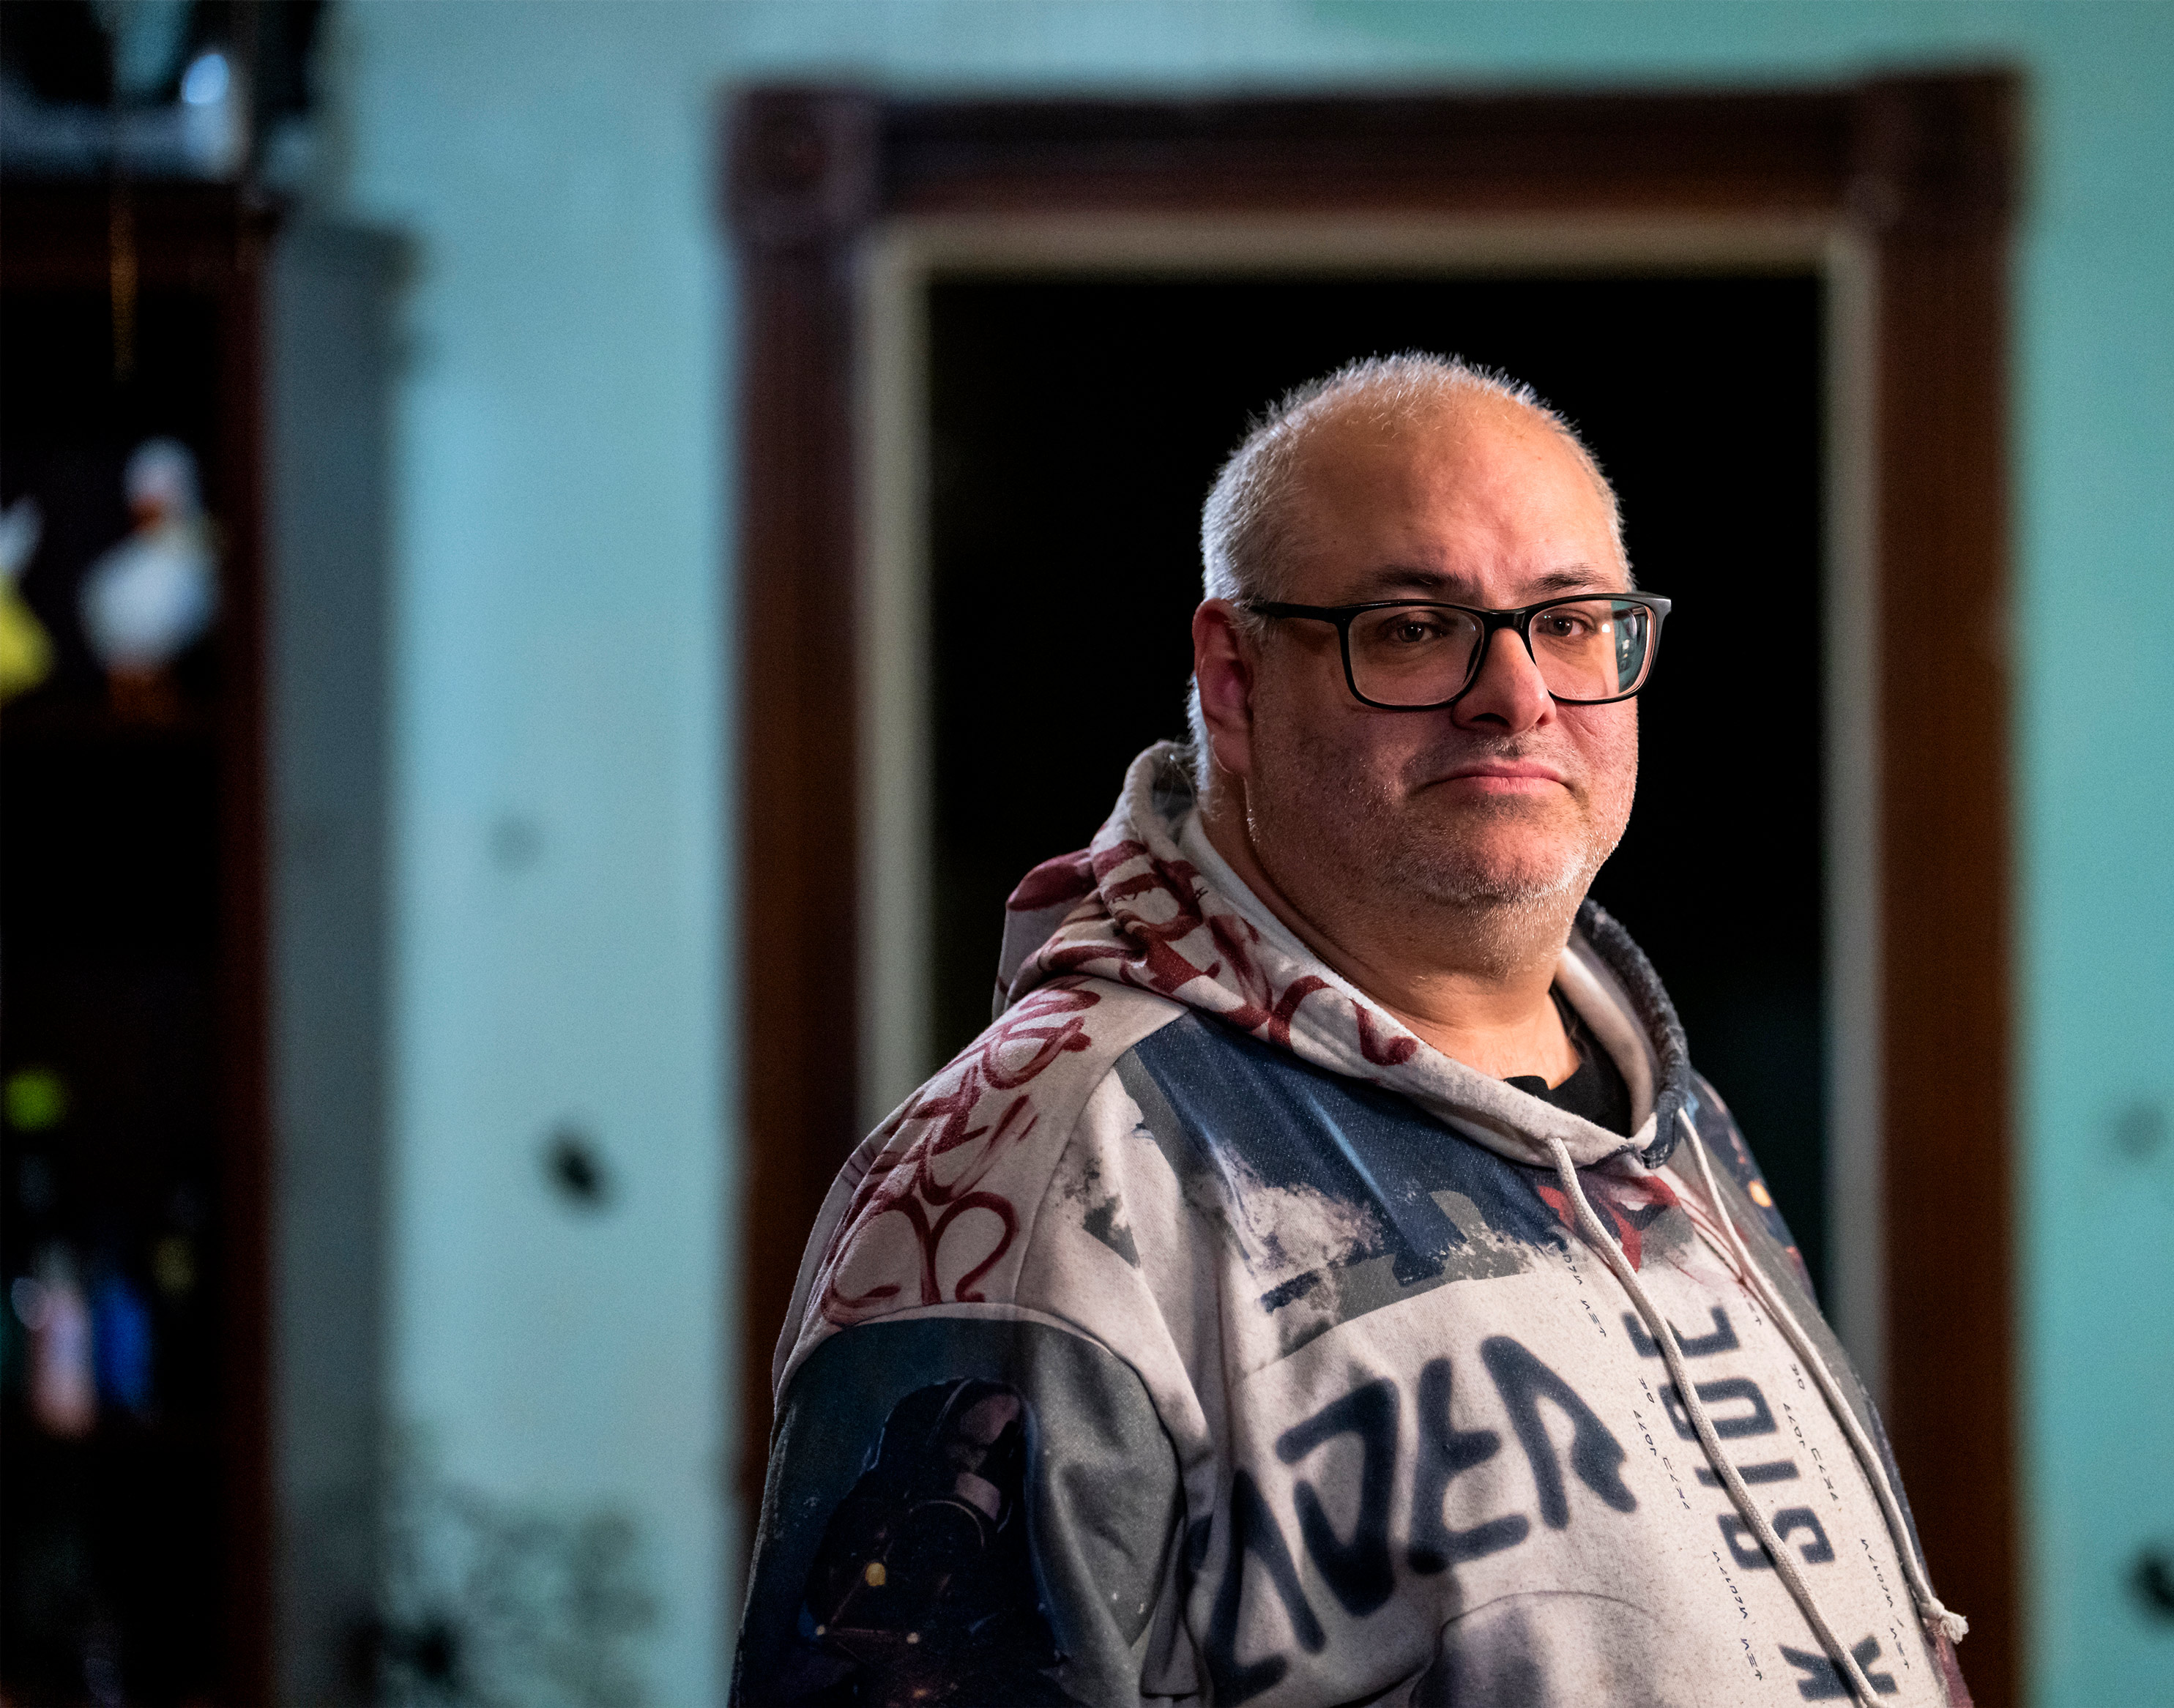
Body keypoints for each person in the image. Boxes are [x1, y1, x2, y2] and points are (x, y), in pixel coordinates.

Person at [732, 355, 1970, 1708]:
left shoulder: (1661, 1116)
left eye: (1569, 621)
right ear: (1234, 678)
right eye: (1412, 628)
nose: (1517, 695)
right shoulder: (1043, 1169)